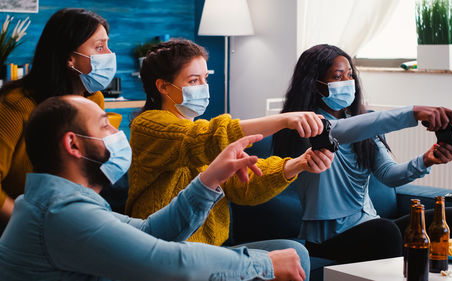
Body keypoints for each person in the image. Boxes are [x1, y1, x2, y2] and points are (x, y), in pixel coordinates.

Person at [0, 95, 309, 281]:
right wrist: (264, 264)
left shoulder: (46, 201)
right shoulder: (59, 214)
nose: (116, 133)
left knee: (291, 252)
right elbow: (171, 264)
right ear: (73, 144)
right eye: (106, 125)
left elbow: (148, 232)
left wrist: (209, 179)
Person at [273, 44, 452, 264]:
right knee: (386, 233)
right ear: (314, 83)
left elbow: (389, 175)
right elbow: (339, 130)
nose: (348, 82)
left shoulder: (362, 124)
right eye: (338, 77)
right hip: (328, 239)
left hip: (370, 225)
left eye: (350, 75)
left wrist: (427, 159)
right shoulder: (302, 126)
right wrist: (413, 113)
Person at [125, 39, 335, 247]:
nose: (203, 87)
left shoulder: (203, 137)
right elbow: (206, 137)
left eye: (205, 78)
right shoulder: (148, 127)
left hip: (214, 249)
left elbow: (243, 186)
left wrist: (299, 163)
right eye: (193, 81)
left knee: (294, 251)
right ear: (163, 86)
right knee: (294, 251)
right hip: (164, 248)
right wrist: (284, 120)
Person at [0, 8, 121, 229]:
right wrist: (26, 224)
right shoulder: (15, 105)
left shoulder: (94, 100)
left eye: (108, 45)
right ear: (69, 58)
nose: (110, 55)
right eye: (100, 47)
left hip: (69, 217)